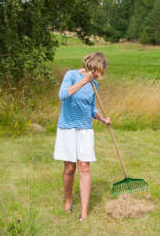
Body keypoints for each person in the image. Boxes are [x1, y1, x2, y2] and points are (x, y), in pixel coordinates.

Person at [53, 52, 111, 221]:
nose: (99, 76)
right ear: (90, 67)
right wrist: (83, 81)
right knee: (70, 168)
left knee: (84, 167)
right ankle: (68, 201)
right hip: (67, 128)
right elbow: (62, 95)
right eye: (98, 71)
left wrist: (101, 118)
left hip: (85, 129)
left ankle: (84, 212)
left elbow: (91, 108)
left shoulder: (94, 85)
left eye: (101, 72)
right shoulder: (71, 75)